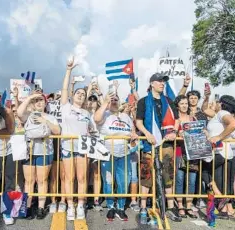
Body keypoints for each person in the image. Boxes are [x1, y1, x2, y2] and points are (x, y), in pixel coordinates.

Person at [135, 73, 181, 223]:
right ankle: (143, 208)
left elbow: (177, 119)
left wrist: (174, 131)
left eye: (164, 81)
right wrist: (147, 134)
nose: (162, 83)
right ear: (152, 83)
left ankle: (170, 208)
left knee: (168, 177)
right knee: (146, 177)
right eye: (160, 81)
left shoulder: (169, 101)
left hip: (166, 145)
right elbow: (138, 122)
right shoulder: (143, 101)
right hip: (150, 144)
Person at [94, 93, 138, 221]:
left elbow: (133, 133)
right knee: (108, 181)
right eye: (111, 99)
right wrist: (105, 103)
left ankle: (120, 207)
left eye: (116, 100)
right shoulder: (105, 114)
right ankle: (110, 207)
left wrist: (133, 137)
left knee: (124, 181)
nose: (113, 101)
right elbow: (96, 119)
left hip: (124, 154)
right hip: (107, 154)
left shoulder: (125, 116)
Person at [17, 93, 61, 219]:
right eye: (36, 100)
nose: (38, 102)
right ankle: (28, 206)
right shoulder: (28, 115)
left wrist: (45, 121)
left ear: (45, 103)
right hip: (29, 152)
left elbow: (57, 131)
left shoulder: (50, 117)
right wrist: (30, 98)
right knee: (29, 181)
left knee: (42, 180)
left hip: (45, 152)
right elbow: (20, 112)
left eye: (41, 100)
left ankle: (41, 207)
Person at [60, 57, 92, 220]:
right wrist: (69, 69)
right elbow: (65, 89)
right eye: (78, 93)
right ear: (73, 96)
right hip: (67, 147)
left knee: (81, 178)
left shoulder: (87, 113)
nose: (80, 95)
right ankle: (70, 206)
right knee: (69, 178)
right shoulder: (66, 107)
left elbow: (92, 130)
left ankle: (80, 205)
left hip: (82, 148)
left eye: (83, 94)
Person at [202, 94, 235, 219]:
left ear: (222, 104)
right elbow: (204, 109)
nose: (216, 103)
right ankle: (225, 209)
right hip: (224, 153)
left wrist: (218, 137)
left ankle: (221, 198)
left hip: (219, 151)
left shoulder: (222, 113)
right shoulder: (216, 115)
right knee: (221, 181)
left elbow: (233, 124)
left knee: (204, 171)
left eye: (218, 102)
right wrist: (206, 97)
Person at [174, 95, 198, 219]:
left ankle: (188, 205)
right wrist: (178, 132)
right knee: (179, 180)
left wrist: (203, 132)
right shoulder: (176, 119)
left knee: (192, 181)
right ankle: (180, 205)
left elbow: (200, 132)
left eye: (186, 103)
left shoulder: (193, 118)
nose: (184, 105)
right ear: (177, 105)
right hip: (179, 152)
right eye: (182, 103)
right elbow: (173, 133)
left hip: (193, 153)